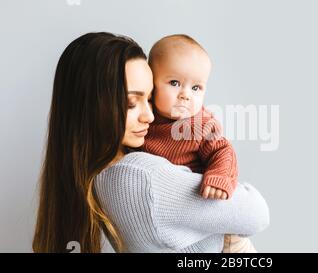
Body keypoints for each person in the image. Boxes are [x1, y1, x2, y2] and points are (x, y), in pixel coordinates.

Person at [32, 32, 269, 253]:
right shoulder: (142, 178)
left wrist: (218, 175)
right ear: (91, 108)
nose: (150, 116)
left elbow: (220, 150)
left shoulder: (91, 178)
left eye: (149, 99)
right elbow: (257, 212)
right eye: (131, 104)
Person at [143, 34, 256, 252]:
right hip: (183, 228)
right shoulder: (142, 121)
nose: (185, 95)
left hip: (223, 235)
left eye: (196, 88)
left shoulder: (201, 124)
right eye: (174, 83)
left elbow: (223, 151)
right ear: (151, 85)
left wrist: (219, 178)